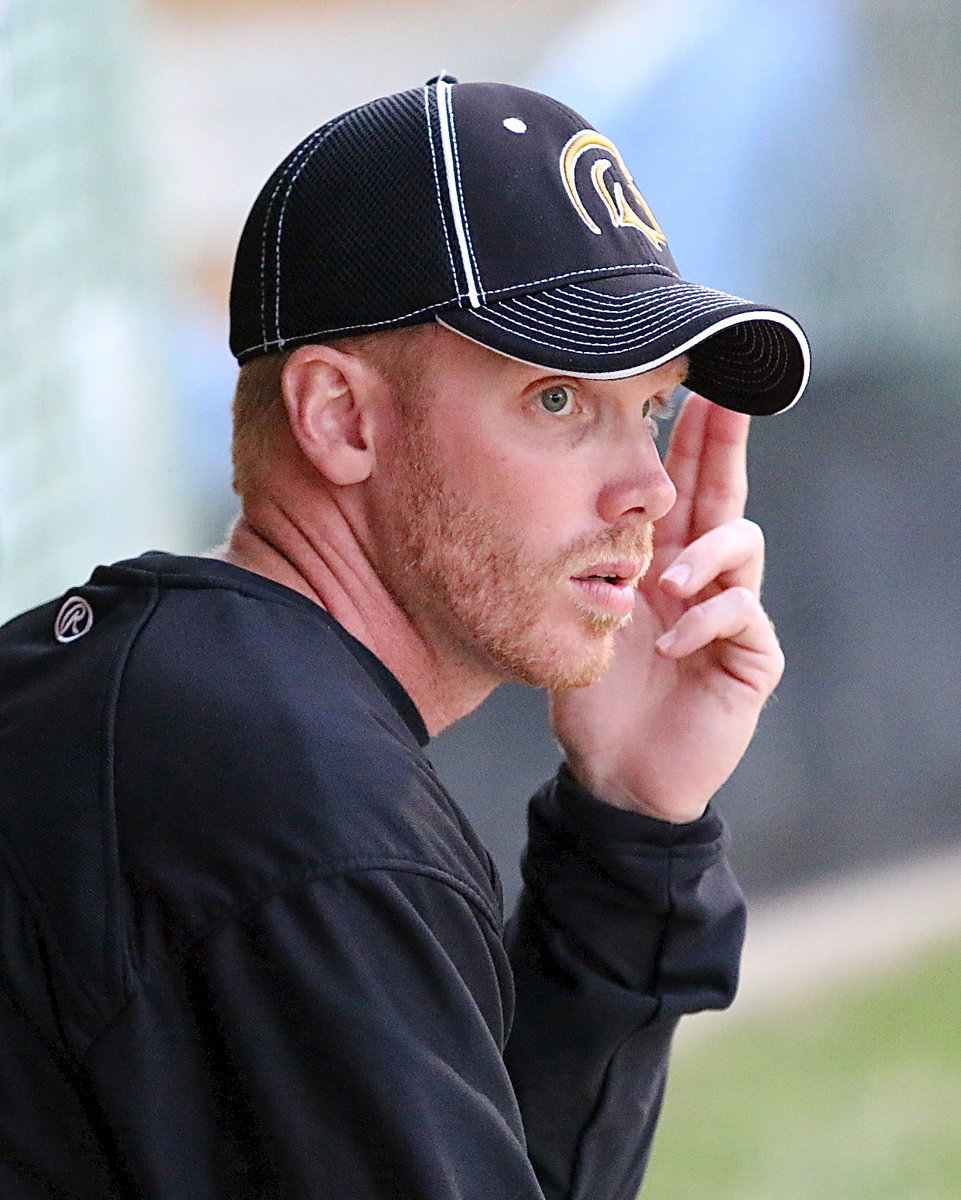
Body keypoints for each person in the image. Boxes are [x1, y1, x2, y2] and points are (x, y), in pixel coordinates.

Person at [0, 77, 809, 1199]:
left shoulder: (194, 716)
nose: (648, 495)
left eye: (654, 410)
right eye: (559, 400)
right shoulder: (302, 810)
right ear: (341, 418)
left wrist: (631, 823)